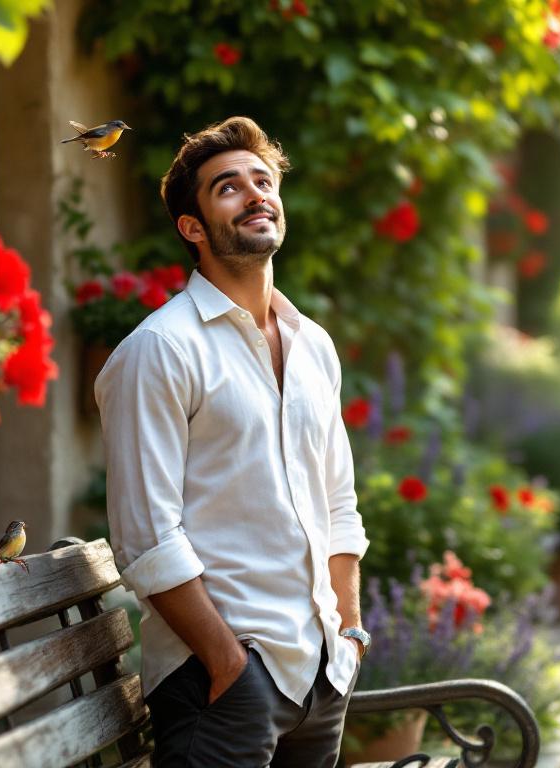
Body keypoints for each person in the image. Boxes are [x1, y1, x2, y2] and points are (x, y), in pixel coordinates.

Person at [96, 115, 370, 767]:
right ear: (192, 227)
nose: (254, 194)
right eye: (228, 187)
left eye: (263, 181)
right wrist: (227, 663)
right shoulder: (160, 350)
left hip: (320, 672)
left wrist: (350, 633)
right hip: (221, 681)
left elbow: (338, 504)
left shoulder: (313, 346)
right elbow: (147, 537)